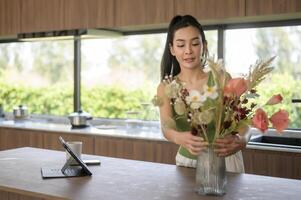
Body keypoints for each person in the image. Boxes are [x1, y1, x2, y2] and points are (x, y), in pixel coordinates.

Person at [156, 15, 249, 173]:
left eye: (195, 43)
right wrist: (180, 138)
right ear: (172, 49)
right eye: (180, 45)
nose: (188, 51)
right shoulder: (166, 87)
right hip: (188, 163)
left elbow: (243, 123)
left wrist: (242, 140)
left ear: (204, 46)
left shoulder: (221, 78)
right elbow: (166, 127)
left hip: (226, 162)